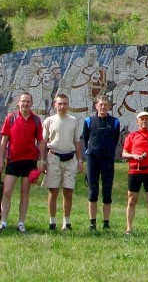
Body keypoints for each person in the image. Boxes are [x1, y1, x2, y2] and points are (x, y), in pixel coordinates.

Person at [0, 92, 45, 233]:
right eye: (23, 101)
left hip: (29, 161)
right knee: (7, 191)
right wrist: (0, 159)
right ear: (18, 103)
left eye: (28, 102)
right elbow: (4, 141)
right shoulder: (10, 118)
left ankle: (21, 223)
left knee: (25, 192)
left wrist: (41, 159)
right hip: (13, 161)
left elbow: (40, 141)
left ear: (31, 104)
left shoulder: (36, 120)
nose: (25, 104)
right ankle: (3, 222)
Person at [42, 93, 83, 231]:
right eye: (60, 103)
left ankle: (66, 222)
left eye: (65, 103)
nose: (62, 106)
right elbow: (43, 142)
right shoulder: (49, 121)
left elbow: (77, 141)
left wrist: (80, 159)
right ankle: (52, 221)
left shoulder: (73, 120)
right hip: (53, 157)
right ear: (55, 104)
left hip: (70, 159)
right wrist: (42, 160)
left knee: (68, 191)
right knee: (53, 191)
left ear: (68, 105)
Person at [82, 95, 121, 232]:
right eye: (101, 104)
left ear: (109, 107)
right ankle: (92, 223)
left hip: (108, 160)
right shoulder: (88, 121)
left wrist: (109, 151)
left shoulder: (115, 122)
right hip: (93, 159)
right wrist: (90, 151)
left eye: (106, 105)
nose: (103, 107)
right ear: (96, 106)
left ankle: (106, 223)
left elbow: (115, 139)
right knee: (93, 192)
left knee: (107, 192)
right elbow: (86, 138)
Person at [121, 110, 148, 235]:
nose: (144, 121)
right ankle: (129, 228)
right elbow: (123, 154)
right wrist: (134, 156)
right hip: (135, 171)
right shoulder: (131, 136)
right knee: (131, 200)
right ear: (137, 122)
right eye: (142, 119)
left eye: (146, 119)